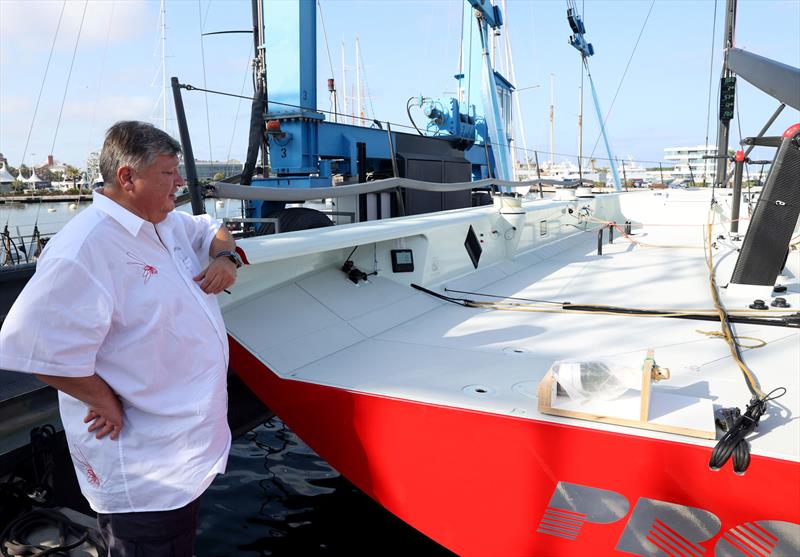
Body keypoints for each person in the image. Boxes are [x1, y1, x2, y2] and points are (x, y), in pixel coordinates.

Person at [0, 121, 242, 556]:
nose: (180, 183)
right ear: (128, 177)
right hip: (146, 468)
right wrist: (102, 399)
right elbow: (35, 346)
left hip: (184, 449)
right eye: (169, 173)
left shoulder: (163, 222)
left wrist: (224, 256)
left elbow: (211, 227)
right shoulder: (84, 249)